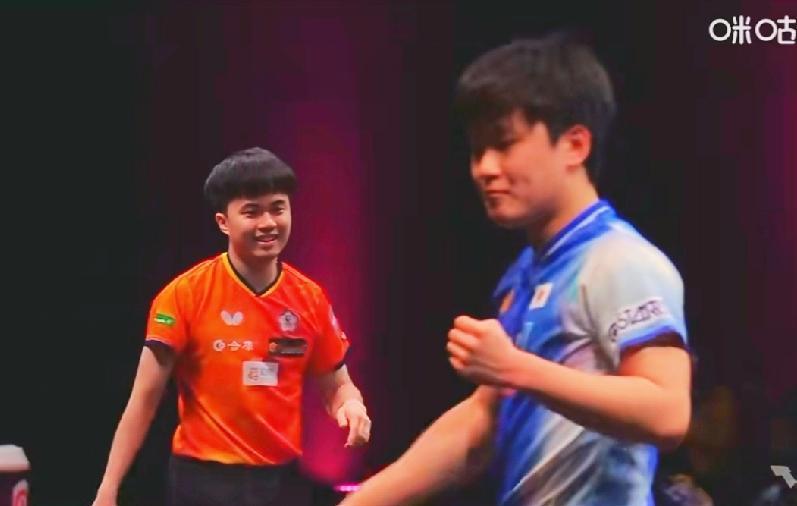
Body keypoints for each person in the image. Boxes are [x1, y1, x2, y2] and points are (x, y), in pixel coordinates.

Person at [341, 34, 691, 506]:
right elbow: (478, 426)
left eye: (504, 145)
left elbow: (667, 413)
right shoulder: (525, 273)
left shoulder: (618, 260)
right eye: (477, 150)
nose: (484, 168)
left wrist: (515, 367)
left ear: (575, 145)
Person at [92, 147, 371, 506]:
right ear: (223, 222)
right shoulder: (184, 295)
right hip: (203, 482)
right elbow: (144, 399)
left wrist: (351, 405)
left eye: (278, 208)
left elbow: (337, 385)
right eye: (252, 212)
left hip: (282, 484)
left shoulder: (310, 299)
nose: (268, 223)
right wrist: (109, 486)